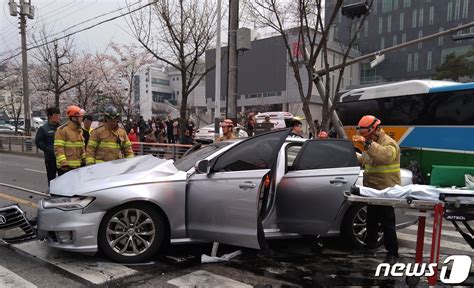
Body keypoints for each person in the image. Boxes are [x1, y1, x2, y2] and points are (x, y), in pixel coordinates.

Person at [352, 115, 400, 265]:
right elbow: (365, 160)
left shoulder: (389, 144)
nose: (367, 137)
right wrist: (350, 153)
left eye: (368, 135)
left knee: (387, 223)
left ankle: (393, 254)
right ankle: (370, 246)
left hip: (386, 191)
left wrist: (366, 143)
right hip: (372, 189)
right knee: (371, 220)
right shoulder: (372, 144)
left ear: (376, 130)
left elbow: (383, 157)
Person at [54, 105, 85, 175]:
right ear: (74, 118)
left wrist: (84, 160)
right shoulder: (62, 130)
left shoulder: (79, 131)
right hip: (65, 168)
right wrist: (64, 163)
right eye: (80, 117)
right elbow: (58, 148)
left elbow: (81, 148)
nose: (82, 119)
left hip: (77, 167)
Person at [35, 107, 61, 185]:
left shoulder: (61, 128)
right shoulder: (43, 128)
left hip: (61, 158)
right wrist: (48, 149)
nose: (58, 117)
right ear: (49, 116)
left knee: (63, 178)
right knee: (51, 179)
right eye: (56, 115)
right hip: (50, 159)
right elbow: (38, 141)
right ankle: (51, 194)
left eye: (59, 115)